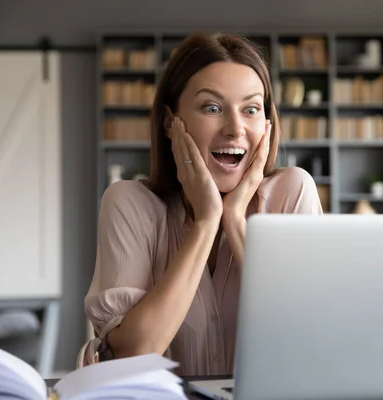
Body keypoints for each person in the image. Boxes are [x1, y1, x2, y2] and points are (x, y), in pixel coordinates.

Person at [77, 32, 323, 376]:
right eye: (212, 108)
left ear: (266, 125)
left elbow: (307, 342)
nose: (235, 129)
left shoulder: (291, 192)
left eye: (251, 109)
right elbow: (132, 357)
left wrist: (235, 219)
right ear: (170, 123)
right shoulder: (129, 204)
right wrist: (207, 222)